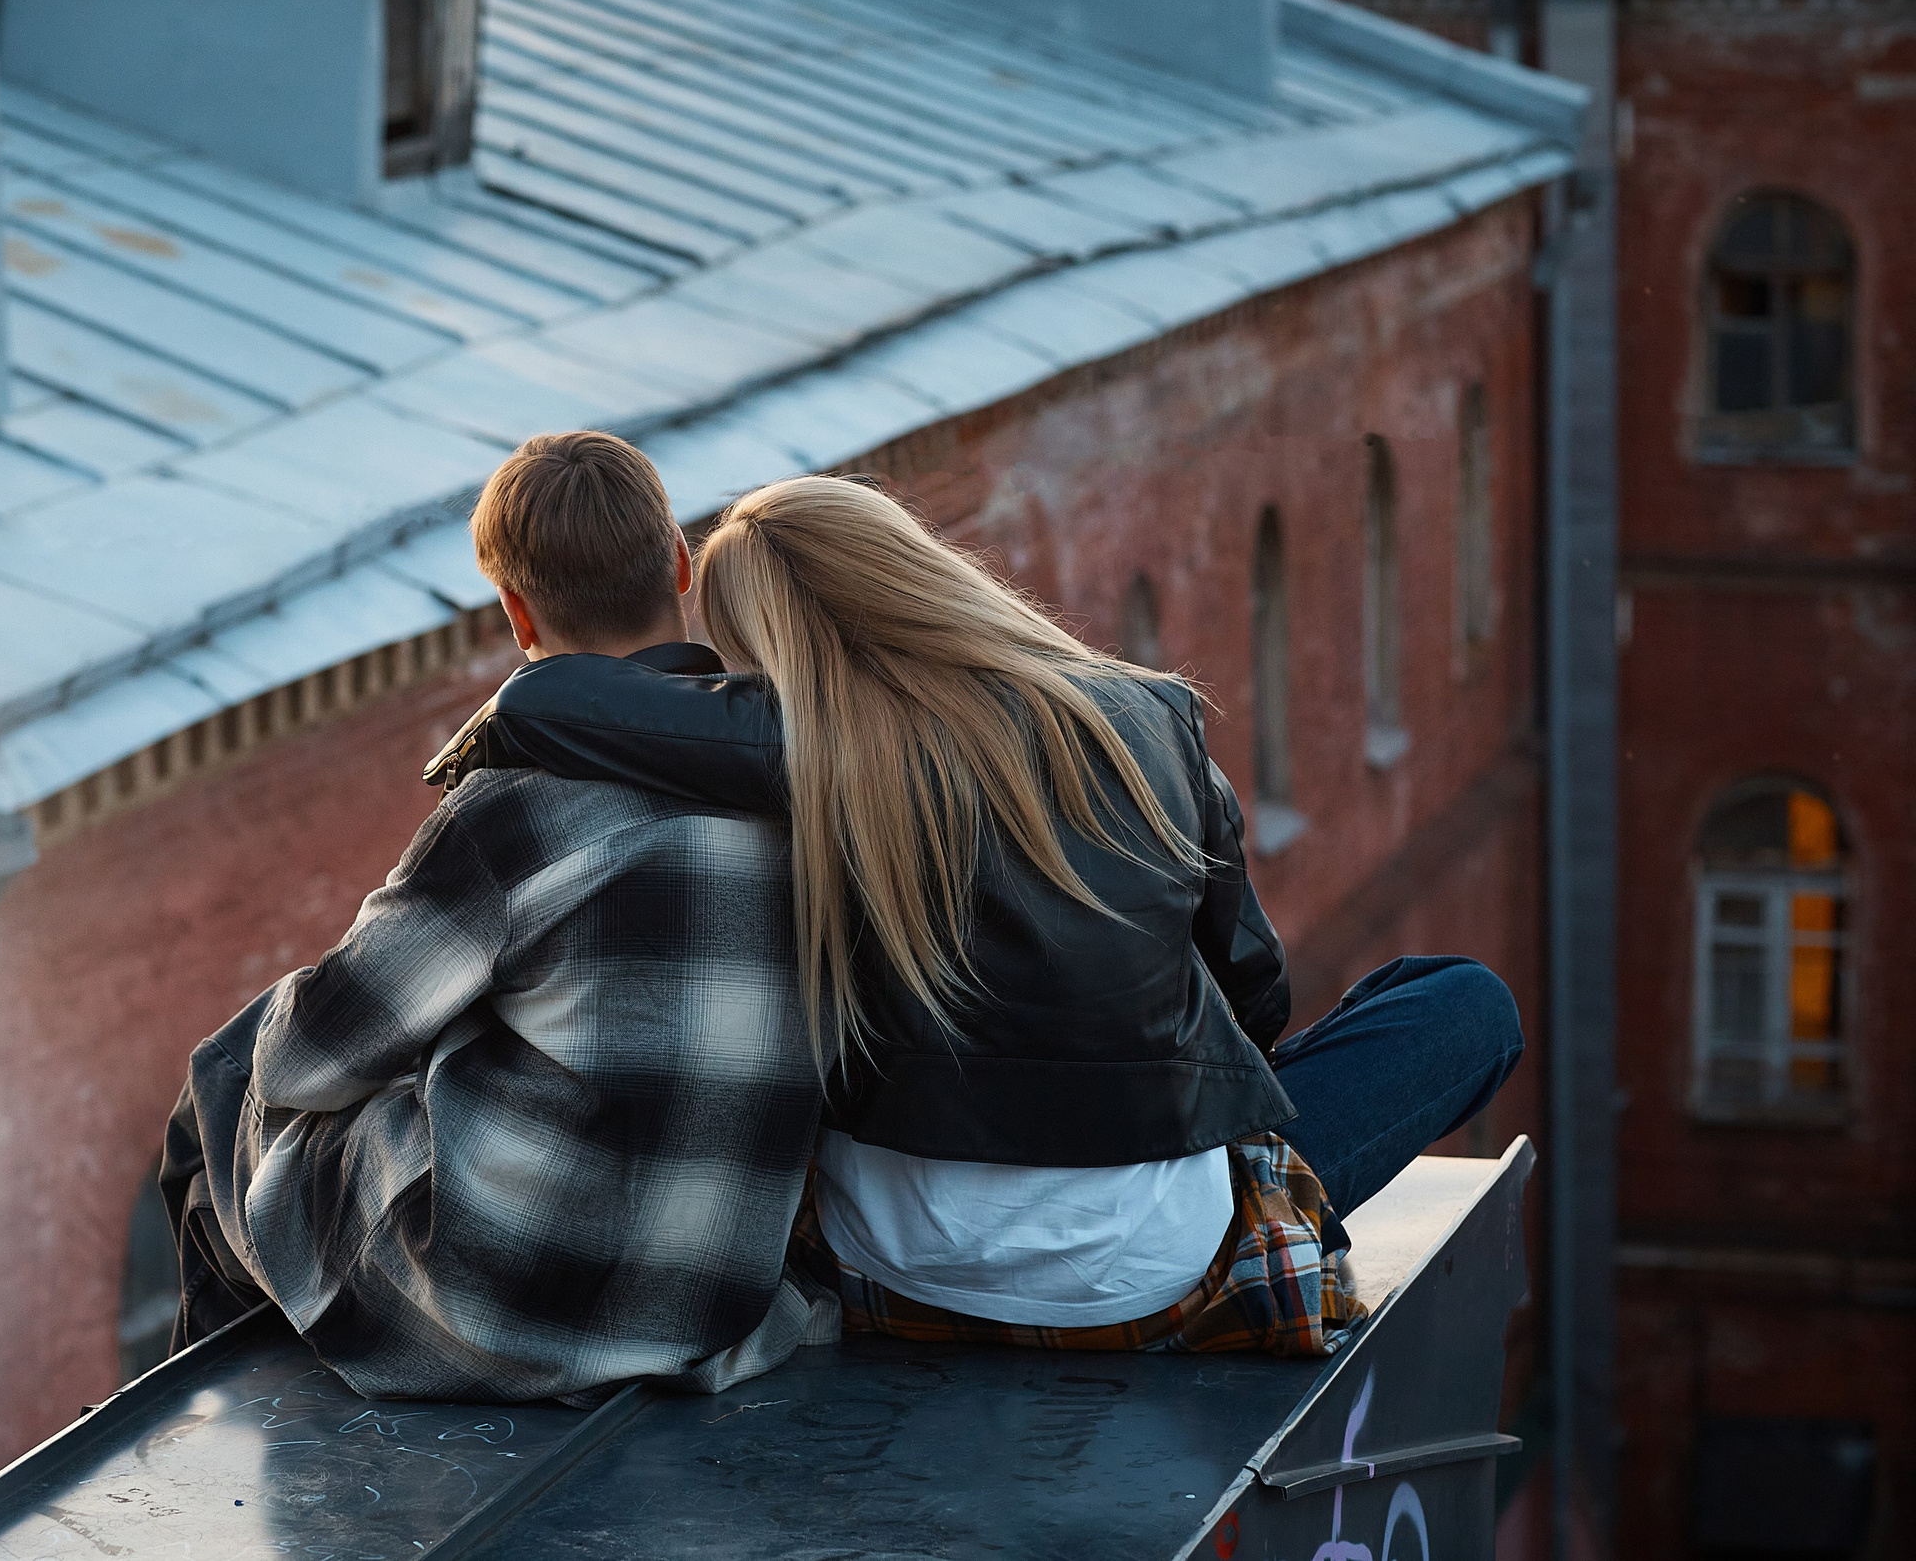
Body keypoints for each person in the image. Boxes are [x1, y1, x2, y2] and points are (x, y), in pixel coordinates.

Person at [435, 474, 1523, 1354]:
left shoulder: (803, 758)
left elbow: (557, 696)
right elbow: (1255, 1001)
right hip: (1156, 1277)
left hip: (882, 1274)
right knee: (1456, 1002)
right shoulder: (1145, 721)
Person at [157, 433, 826, 1403]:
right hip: (704, 1304)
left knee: (222, 1087)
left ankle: (206, 1439)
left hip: (502, 1307)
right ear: (679, 564)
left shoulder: (516, 808)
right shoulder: (798, 780)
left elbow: (313, 1056)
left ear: (516, 612)